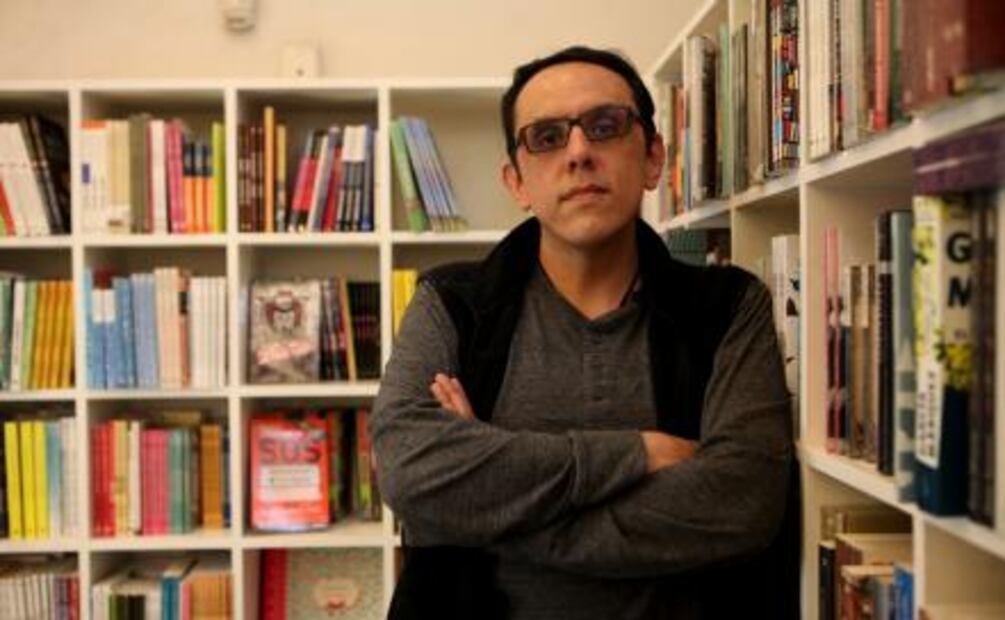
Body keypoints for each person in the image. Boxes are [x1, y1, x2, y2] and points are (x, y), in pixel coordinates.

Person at [371, 45, 799, 620]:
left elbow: (742, 502)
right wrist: (638, 452)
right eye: (546, 137)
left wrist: (484, 509)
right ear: (517, 182)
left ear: (653, 159)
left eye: (605, 126)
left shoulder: (728, 307)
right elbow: (407, 468)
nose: (578, 152)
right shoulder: (451, 304)